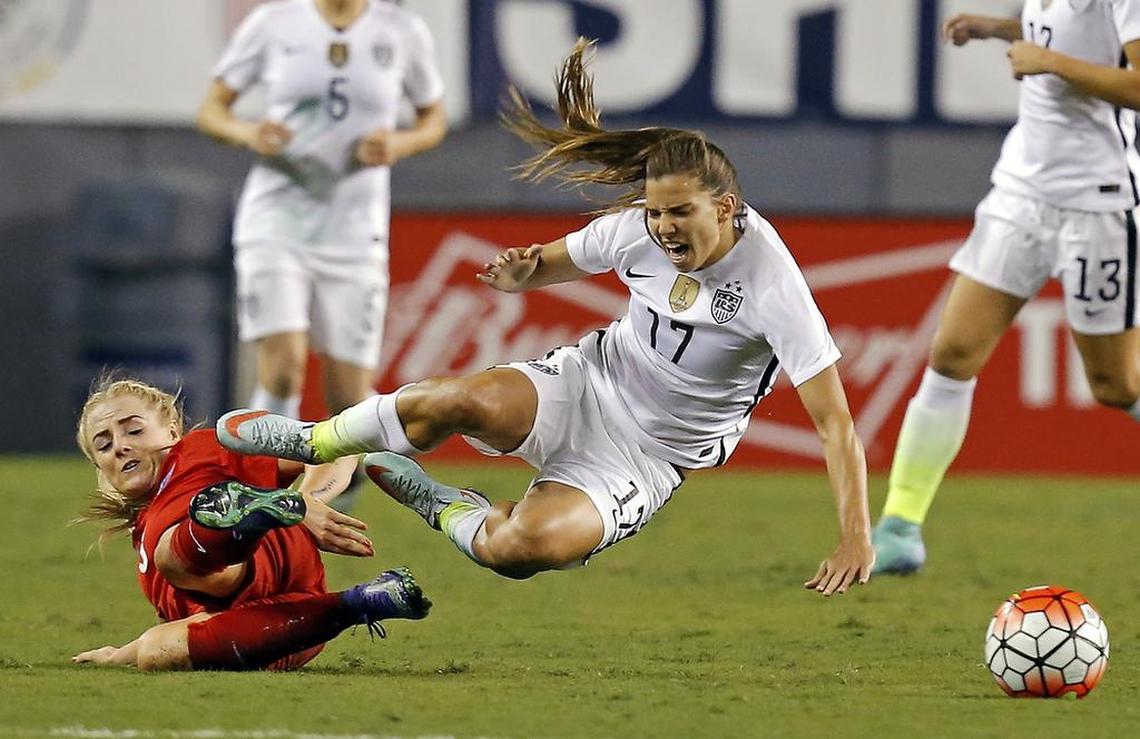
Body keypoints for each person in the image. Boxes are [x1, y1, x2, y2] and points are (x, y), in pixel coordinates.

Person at [215, 39, 874, 595]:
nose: (664, 227)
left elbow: (835, 424)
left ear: (726, 208)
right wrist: (521, 271)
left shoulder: (773, 284)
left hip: (648, 458)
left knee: (523, 549)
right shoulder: (634, 231)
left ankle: (440, 504)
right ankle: (315, 440)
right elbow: (551, 263)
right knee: (458, 400)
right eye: (655, 211)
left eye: (681, 213)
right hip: (587, 381)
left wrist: (855, 537)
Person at [872, 5, 1140, 574]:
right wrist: (998, 28)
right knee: (952, 353)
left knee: (1116, 386)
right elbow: (1060, 31)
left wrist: (1049, 62)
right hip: (1021, 192)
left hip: (1100, 201)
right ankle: (900, 527)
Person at [71, 376, 431, 671]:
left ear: (171, 430)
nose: (119, 446)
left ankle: (247, 520)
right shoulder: (145, 533)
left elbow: (336, 447)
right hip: (287, 625)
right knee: (156, 648)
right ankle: (364, 601)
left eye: (133, 431)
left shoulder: (201, 452)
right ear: (101, 469)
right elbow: (198, 619)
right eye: (104, 445)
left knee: (174, 559)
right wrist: (122, 653)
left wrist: (308, 500)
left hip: (268, 556)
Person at [196, 0, 446, 422]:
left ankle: (343, 485)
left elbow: (433, 119)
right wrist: (248, 131)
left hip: (354, 229)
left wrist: (399, 144)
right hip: (276, 217)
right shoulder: (274, 23)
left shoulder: (402, 31)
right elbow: (212, 110)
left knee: (348, 394)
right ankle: (269, 477)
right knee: (282, 366)